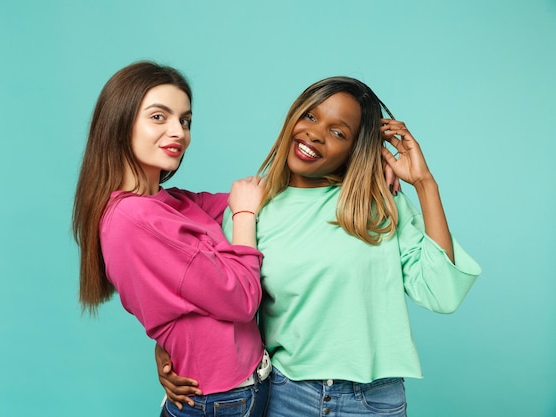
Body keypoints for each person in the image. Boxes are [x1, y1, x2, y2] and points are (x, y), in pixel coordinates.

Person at [156, 76, 482, 416]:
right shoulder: (250, 208)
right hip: (284, 396)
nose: (315, 133)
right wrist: (167, 351)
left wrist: (425, 183)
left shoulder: (379, 204)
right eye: (310, 116)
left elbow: (441, 293)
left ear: (356, 148)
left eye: (338, 132)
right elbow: (223, 304)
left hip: (372, 402)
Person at [72, 61, 271, 417]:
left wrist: (357, 173)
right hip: (220, 401)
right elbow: (241, 299)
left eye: (185, 120)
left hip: (229, 392)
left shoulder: (170, 203)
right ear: (120, 123)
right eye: (159, 117)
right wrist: (244, 216)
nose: (178, 131)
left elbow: (258, 195)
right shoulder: (137, 218)